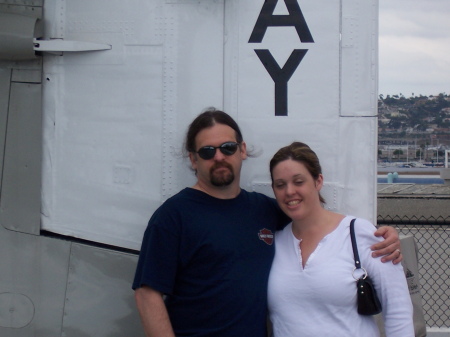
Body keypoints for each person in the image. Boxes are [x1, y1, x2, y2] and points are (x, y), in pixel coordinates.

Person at [132, 109, 402, 337]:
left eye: (228, 147)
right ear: (193, 159)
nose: (219, 157)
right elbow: (147, 295)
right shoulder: (173, 216)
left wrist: (380, 236)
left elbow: (316, 222)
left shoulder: (265, 210)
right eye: (207, 151)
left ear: (242, 150)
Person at [267, 142, 414, 337]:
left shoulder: (359, 234)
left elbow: (398, 311)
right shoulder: (274, 242)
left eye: (299, 181)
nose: (289, 191)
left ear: (318, 181)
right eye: (280, 185)